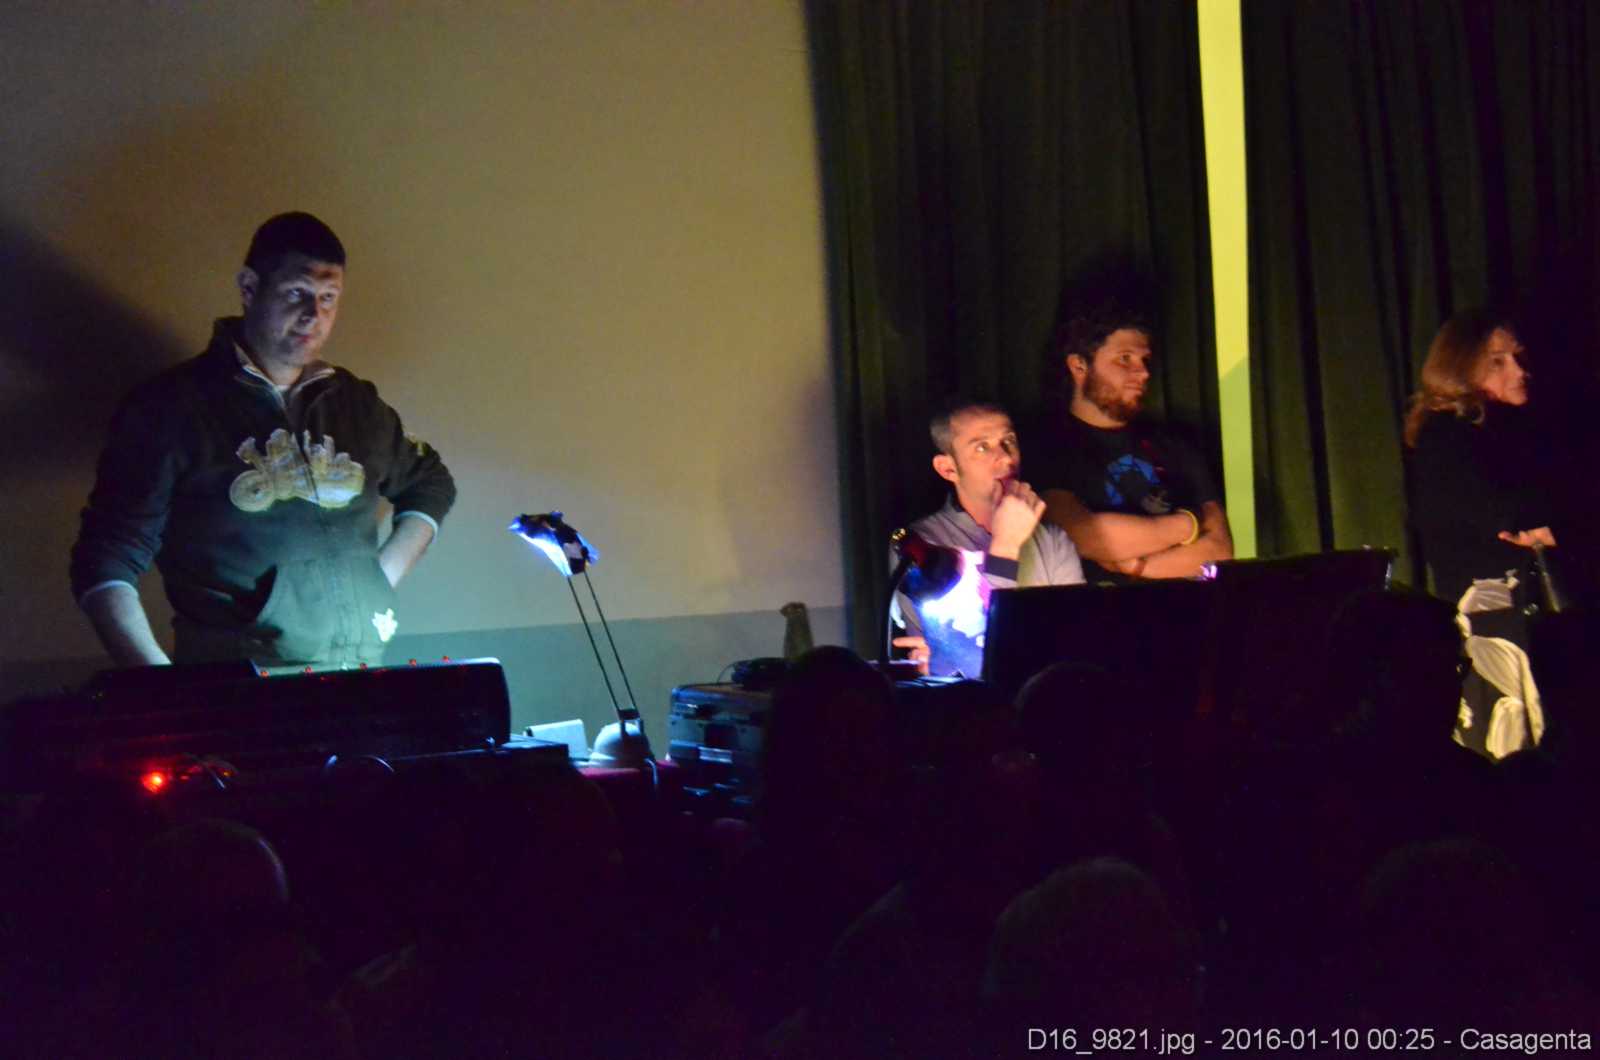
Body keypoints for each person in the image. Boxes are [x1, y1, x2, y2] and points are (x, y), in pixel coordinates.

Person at [70, 212, 455, 669]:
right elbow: (105, 559)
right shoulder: (170, 408)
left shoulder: (355, 404)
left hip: (361, 674)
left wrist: (378, 581)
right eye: (296, 293)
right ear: (249, 287)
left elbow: (430, 483)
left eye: (328, 297)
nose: (313, 315)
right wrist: (162, 688)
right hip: (237, 685)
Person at [1404, 310, 1553, 756]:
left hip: (1525, 624)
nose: (1519, 370)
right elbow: (1510, 516)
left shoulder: (1503, 434)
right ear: (1461, 368)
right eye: (1498, 361)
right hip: (1497, 634)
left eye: (1517, 356)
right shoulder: (1447, 439)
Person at [1034, 306, 1232, 583]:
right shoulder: (1047, 446)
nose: (1143, 373)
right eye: (1125, 358)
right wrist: (1188, 525)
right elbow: (1086, 536)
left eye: (1144, 360)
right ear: (1079, 366)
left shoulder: (1175, 444)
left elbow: (1220, 550)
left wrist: (1137, 566)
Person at [892, 399, 1083, 675]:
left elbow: (1075, 646)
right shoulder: (922, 545)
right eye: (982, 447)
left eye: (1009, 441)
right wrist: (1006, 547)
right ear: (948, 468)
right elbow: (972, 664)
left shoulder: (1052, 540)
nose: (1006, 458)